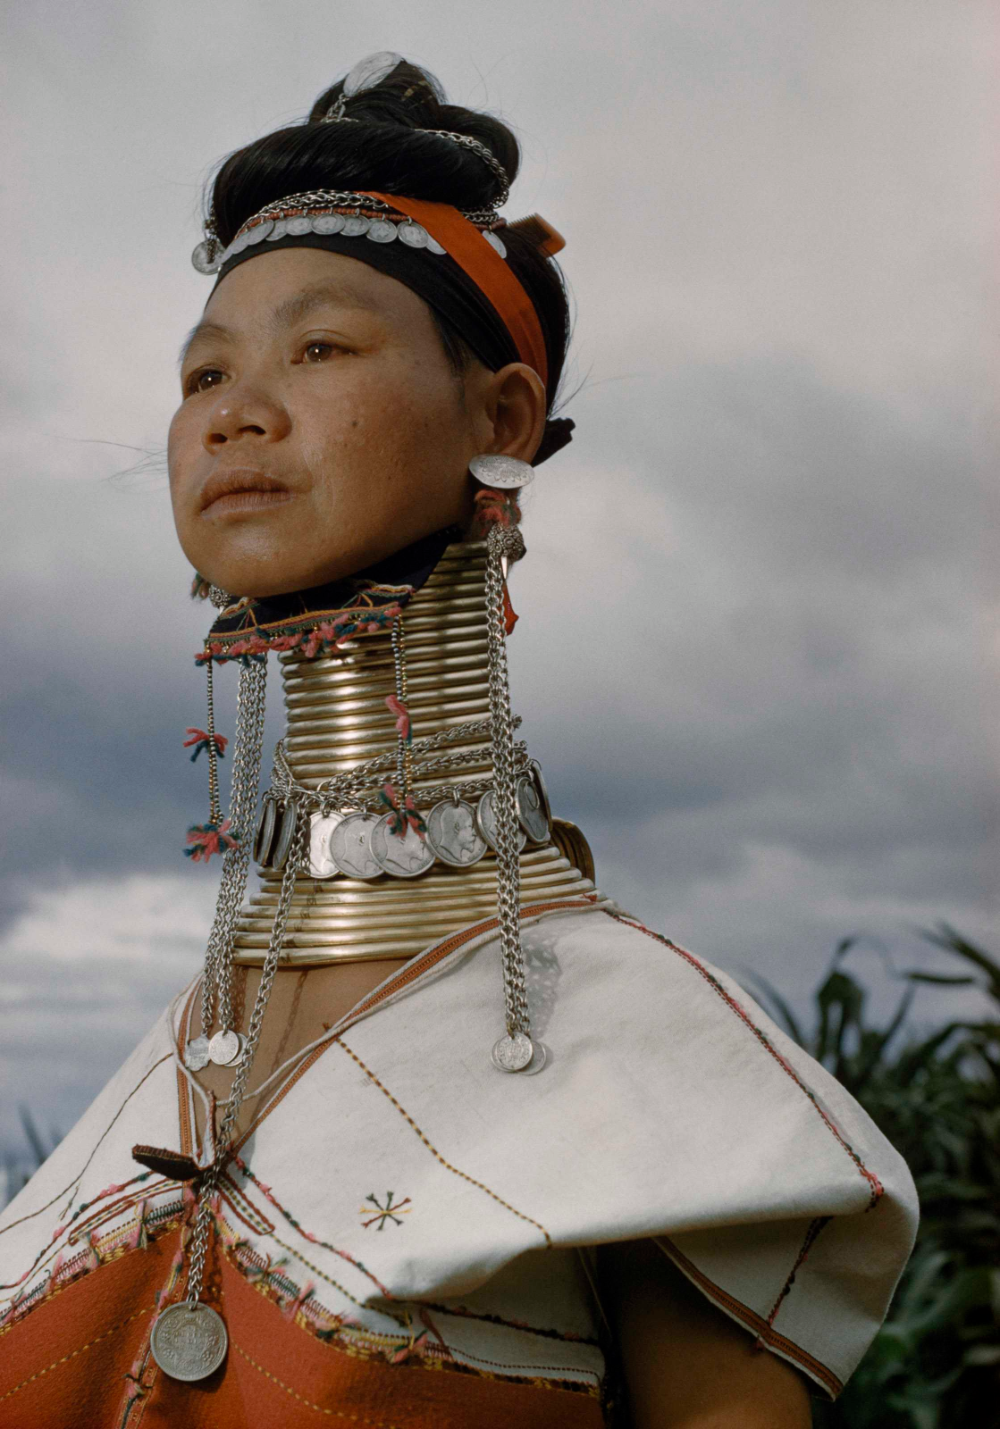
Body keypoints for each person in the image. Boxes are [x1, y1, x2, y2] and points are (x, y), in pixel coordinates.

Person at [0, 55, 917, 1428]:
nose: (234, 412)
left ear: (501, 418)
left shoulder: (644, 1059)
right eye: (205, 372)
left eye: (320, 350)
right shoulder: (189, 1048)